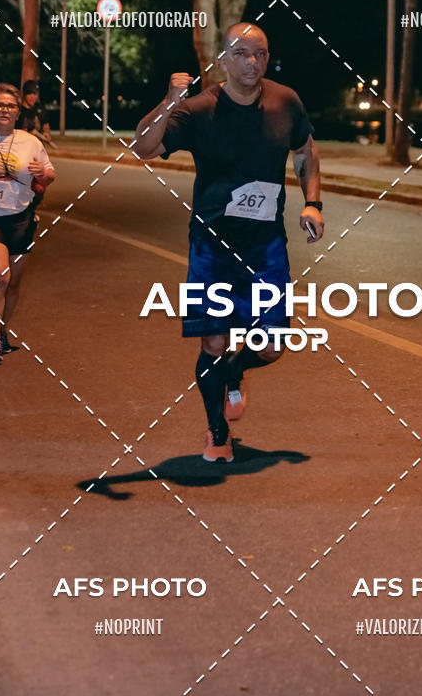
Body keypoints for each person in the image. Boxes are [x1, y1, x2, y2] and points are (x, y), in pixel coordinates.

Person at [134, 23, 324, 462]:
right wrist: (168, 101)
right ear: (223, 59)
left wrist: (313, 203)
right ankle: (216, 430)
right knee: (214, 343)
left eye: (259, 53)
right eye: (241, 54)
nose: (251, 63)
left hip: (266, 245)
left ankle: (235, 374)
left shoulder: (285, 101)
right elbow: (144, 147)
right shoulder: (200, 109)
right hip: (213, 246)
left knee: (272, 345)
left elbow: (305, 151)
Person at [0, 83, 55, 365]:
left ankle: (2, 330)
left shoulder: (30, 142)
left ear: (17, 111)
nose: (4, 110)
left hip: (21, 217)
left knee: (13, 285)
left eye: (10, 106)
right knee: (0, 274)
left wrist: (43, 174)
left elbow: (49, 175)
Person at [18, 80, 51, 144]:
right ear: (24, 94)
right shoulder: (18, 110)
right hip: (21, 144)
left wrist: (46, 133)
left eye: (34, 93)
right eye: (29, 93)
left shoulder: (40, 109)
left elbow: (45, 125)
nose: (32, 96)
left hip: (37, 145)